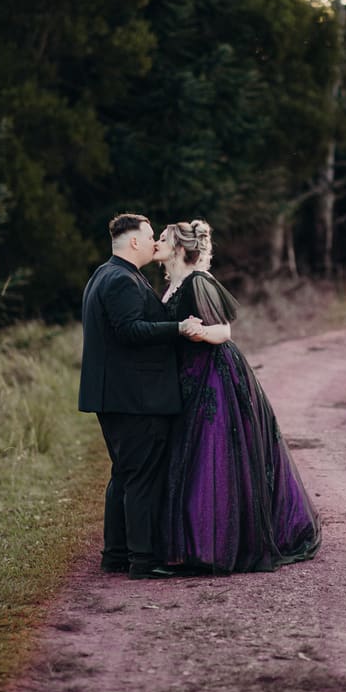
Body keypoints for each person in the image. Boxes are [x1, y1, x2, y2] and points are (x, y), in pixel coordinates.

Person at [154, 220, 321, 573]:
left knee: (211, 454)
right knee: (191, 454)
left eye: (163, 238)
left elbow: (224, 331)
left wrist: (199, 333)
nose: (157, 242)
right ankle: (192, 541)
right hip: (188, 377)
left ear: (180, 248)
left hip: (213, 374)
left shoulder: (199, 281)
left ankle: (211, 544)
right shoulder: (173, 285)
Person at [78, 212, 203, 580]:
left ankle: (115, 555)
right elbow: (129, 330)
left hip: (118, 396)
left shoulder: (107, 274)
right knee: (141, 478)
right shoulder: (120, 279)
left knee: (126, 475)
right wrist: (178, 327)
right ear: (134, 241)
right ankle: (142, 561)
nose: (154, 243)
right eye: (150, 236)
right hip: (134, 398)